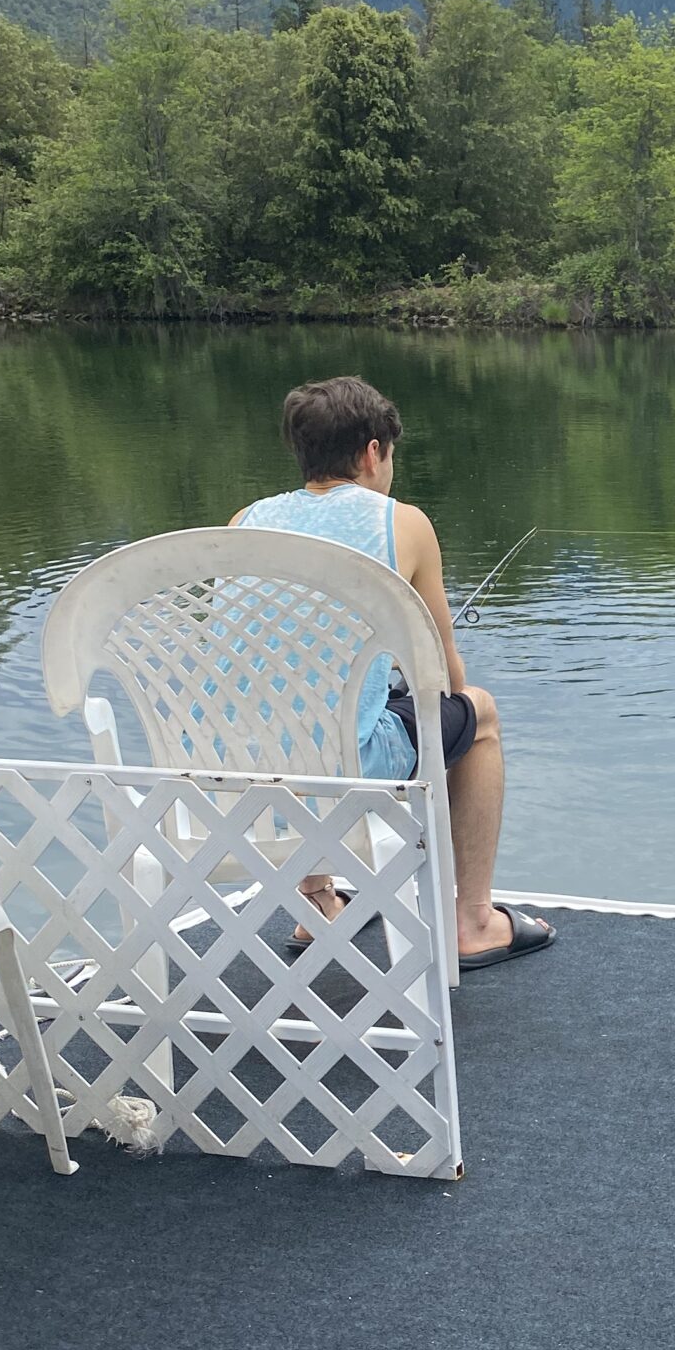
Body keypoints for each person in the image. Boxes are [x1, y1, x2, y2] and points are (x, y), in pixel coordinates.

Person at [233, 374, 554, 970]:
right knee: (478, 712)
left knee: (299, 714)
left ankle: (317, 902)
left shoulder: (244, 520)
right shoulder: (402, 522)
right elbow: (443, 679)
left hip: (235, 767)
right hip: (348, 768)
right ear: (373, 450)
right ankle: (473, 922)